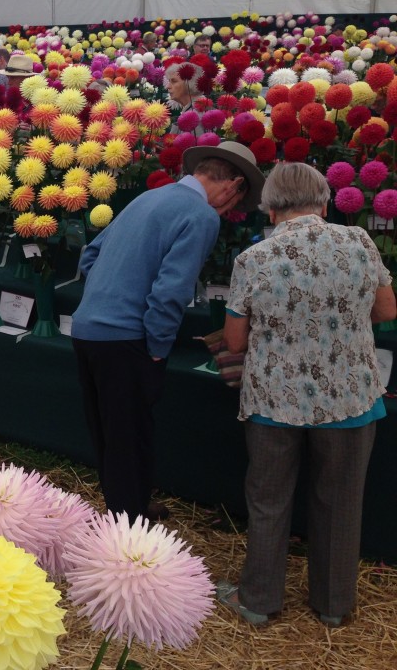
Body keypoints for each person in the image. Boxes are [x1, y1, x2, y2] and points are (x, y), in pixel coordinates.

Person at [216, 162, 396, 628]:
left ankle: (258, 600)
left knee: (269, 500)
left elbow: (235, 342)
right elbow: (387, 310)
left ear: (271, 210)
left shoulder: (253, 260)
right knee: (341, 502)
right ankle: (334, 607)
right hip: (351, 400)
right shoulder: (359, 243)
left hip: (274, 401)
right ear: (324, 202)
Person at [71, 142, 264, 522]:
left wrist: (112, 291)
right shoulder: (201, 215)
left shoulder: (149, 198)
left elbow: (89, 255)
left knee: (109, 434)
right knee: (130, 437)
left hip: (88, 328)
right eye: (234, 204)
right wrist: (158, 347)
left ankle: (128, 508)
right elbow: (170, 290)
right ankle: (128, 532)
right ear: (232, 185)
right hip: (127, 338)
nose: (228, 213)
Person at [165, 60, 206, 136]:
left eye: (174, 81)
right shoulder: (193, 108)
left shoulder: (195, 116)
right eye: (169, 81)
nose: (168, 86)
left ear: (190, 83)